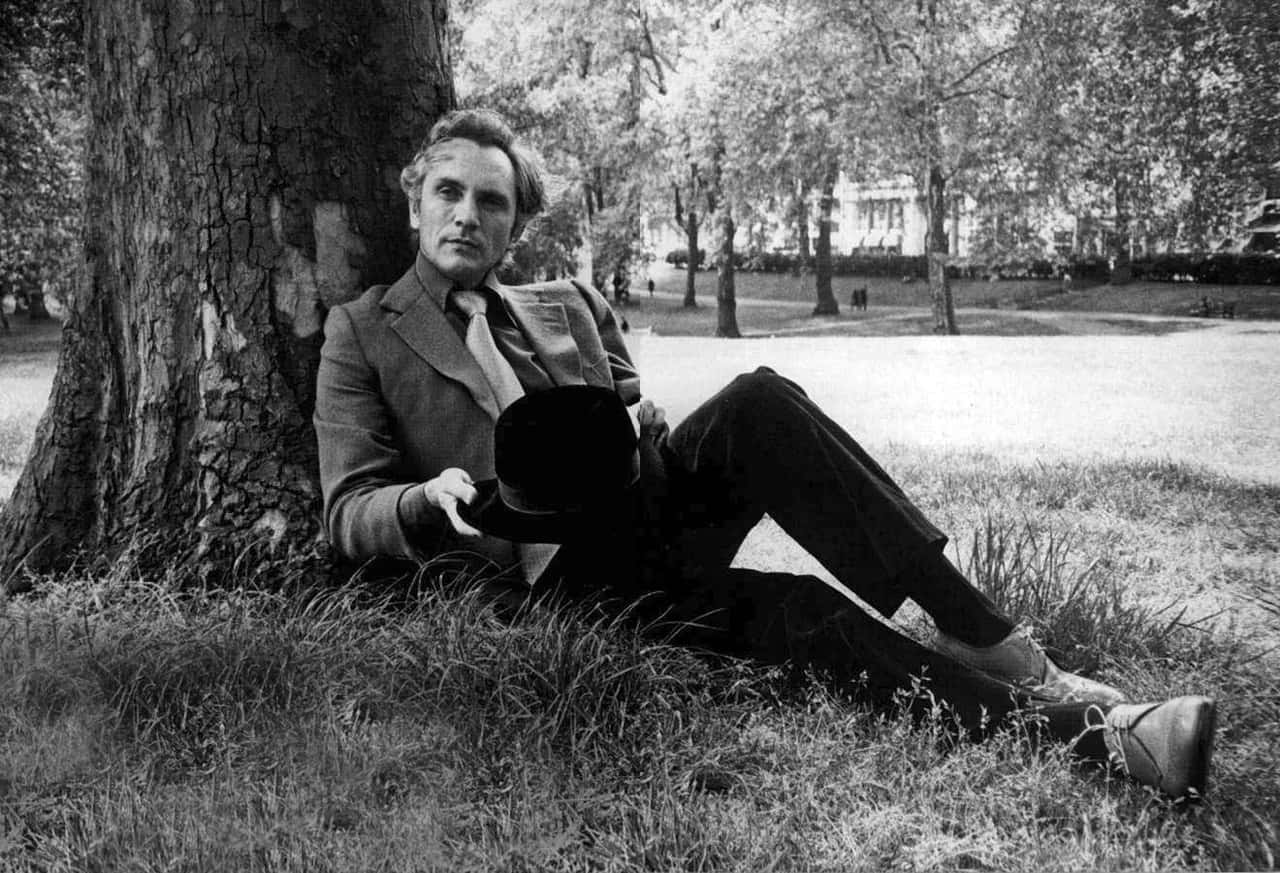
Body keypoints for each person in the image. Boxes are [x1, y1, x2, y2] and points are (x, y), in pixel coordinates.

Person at [314, 109, 1217, 799]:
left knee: (757, 400)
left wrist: (648, 427)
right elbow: (346, 508)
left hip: (644, 527)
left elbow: (634, 417)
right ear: (413, 200)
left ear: (515, 224)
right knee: (802, 614)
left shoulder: (566, 304)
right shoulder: (363, 331)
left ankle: (997, 643)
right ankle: (1108, 737)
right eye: (449, 193)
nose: (468, 215)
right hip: (548, 592)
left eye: (492, 201)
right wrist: (425, 500)